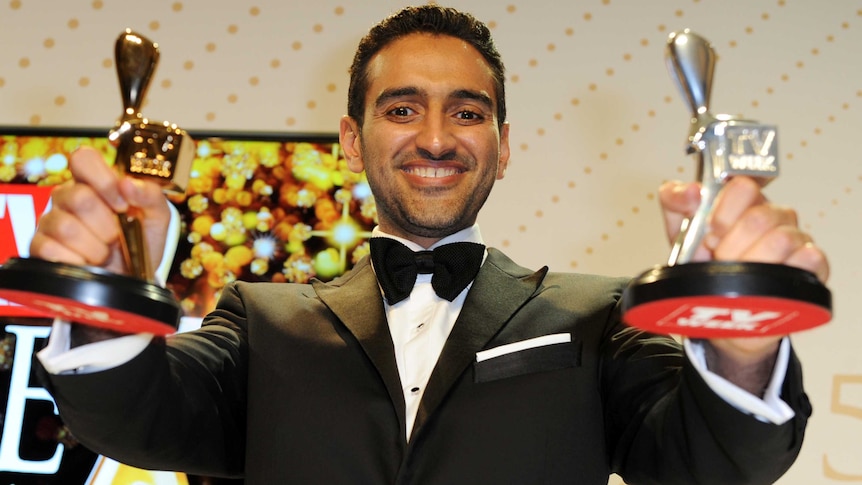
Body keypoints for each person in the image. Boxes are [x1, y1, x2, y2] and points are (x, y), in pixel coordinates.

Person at [30, 5, 825, 485]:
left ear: (504, 144)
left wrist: (742, 339)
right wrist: (106, 294)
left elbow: (718, 459)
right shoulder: (259, 319)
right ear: (351, 138)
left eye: (468, 113)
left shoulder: (597, 314)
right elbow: (129, 415)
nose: (437, 138)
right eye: (403, 109)